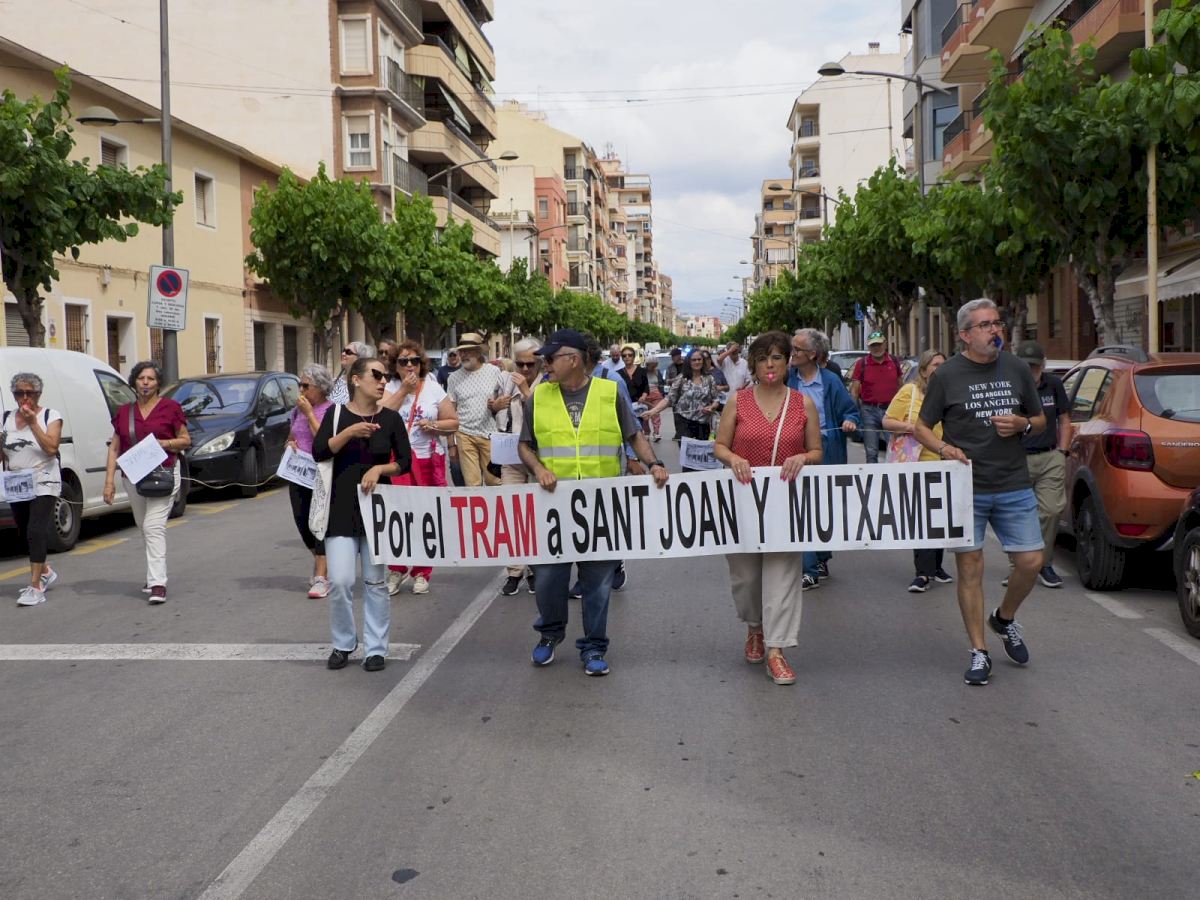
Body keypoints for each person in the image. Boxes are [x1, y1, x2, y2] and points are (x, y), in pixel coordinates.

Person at [518, 329, 669, 677]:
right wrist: (538, 469)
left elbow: (634, 434)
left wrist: (654, 463)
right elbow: (524, 444)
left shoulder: (608, 392)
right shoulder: (538, 398)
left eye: (550, 358)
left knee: (597, 583)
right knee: (548, 579)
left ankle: (594, 646)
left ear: (573, 360)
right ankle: (550, 633)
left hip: (602, 506)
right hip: (554, 506)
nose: (544, 364)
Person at [914, 298, 1047, 686]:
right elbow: (921, 427)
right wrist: (945, 449)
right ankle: (979, 651)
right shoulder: (947, 375)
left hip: (1013, 482)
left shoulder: (1016, 367)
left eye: (997, 323)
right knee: (970, 567)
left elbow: (1040, 420)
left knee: (1031, 561)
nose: (994, 330)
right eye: (985, 325)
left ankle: (1003, 619)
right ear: (965, 335)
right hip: (966, 487)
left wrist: (1022, 424)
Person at [714, 331, 823, 686]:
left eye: (776, 357)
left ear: (787, 361)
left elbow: (817, 451)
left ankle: (776, 649)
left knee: (782, 575)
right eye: (762, 359)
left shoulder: (802, 404)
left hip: (785, 504)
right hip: (743, 502)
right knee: (746, 578)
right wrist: (733, 459)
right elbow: (720, 445)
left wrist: (803, 457)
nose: (770, 365)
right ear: (754, 365)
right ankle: (755, 627)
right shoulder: (738, 401)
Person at [312, 356, 411, 672]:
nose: (383, 381)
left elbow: (405, 462)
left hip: (377, 511)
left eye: (385, 377)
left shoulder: (391, 419)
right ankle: (343, 643)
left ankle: (376, 649)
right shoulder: (336, 414)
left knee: (375, 582)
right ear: (356, 380)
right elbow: (319, 451)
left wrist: (380, 469)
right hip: (340, 509)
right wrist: (349, 433)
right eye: (376, 375)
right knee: (340, 581)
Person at [102, 361, 190, 604]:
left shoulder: (171, 408)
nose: (145, 383)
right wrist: (109, 482)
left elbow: (185, 440)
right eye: (141, 378)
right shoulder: (124, 412)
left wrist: (165, 443)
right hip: (134, 477)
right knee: (143, 526)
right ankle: (153, 576)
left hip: (164, 473)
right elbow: (114, 449)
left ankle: (158, 583)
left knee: (153, 527)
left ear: (158, 383)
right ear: (134, 382)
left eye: (150, 379)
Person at [381, 340, 459, 596]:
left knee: (424, 516)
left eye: (414, 360)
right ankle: (396, 569)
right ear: (395, 365)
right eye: (403, 361)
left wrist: (434, 425)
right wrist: (404, 390)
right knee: (396, 516)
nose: (409, 365)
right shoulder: (389, 387)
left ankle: (422, 572)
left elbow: (453, 422)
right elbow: (380, 417)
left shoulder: (433, 388)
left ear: (421, 364)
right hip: (396, 462)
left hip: (426, 460)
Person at [787, 328, 860, 589]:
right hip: (795, 450)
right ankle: (808, 568)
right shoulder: (788, 379)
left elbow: (850, 411)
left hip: (827, 449)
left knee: (825, 506)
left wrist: (849, 421)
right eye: (792, 348)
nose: (792, 353)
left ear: (813, 354)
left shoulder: (830, 381)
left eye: (797, 349)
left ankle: (821, 557)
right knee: (802, 506)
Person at [883, 349, 952, 593]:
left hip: (945, 462)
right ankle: (922, 573)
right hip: (918, 463)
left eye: (943, 365)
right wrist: (912, 428)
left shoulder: (950, 392)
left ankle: (936, 567)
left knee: (940, 517)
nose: (940, 369)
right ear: (923, 370)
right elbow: (887, 421)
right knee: (923, 519)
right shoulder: (909, 392)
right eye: (935, 365)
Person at [1012, 340, 1071, 589]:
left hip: (1049, 457)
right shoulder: (1010, 387)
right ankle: (1019, 567)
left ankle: (1044, 564)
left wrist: (1062, 452)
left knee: (1051, 510)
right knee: (1018, 513)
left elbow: (1064, 419)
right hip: (1018, 458)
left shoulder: (1054, 385)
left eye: (1034, 366)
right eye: (1026, 366)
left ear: (1042, 365)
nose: (1031, 370)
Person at [2, 372, 63, 607]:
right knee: (24, 530)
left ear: (38, 394)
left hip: (44, 479)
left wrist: (32, 423)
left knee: (36, 530)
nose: (24, 397)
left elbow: (51, 448)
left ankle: (36, 586)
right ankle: (45, 571)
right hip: (17, 481)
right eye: (19, 393)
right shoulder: (6, 418)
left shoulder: (50, 416)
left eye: (29, 393)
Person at [498, 338, 544, 596]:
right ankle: (514, 571)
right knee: (512, 514)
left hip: (537, 459)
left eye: (530, 364)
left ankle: (535, 569)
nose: (525, 369)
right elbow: (497, 412)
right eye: (520, 364)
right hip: (510, 455)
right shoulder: (506, 380)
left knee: (535, 517)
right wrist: (494, 406)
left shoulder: (548, 383)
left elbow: (544, 417)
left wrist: (526, 391)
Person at [287, 364, 334, 599]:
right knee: (302, 522)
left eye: (306, 386)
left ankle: (322, 576)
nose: (302, 390)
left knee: (319, 524)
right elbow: (292, 435)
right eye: (300, 385)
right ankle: (321, 563)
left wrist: (309, 414)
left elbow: (323, 441)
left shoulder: (330, 410)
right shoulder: (297, 411)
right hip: (298, 474)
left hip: (321, 474)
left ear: (321, 387)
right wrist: (290, 444)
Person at [446, 332, 506, 488]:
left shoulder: (494, 372)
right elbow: (450, 412)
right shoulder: (453, 378)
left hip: (490, 433)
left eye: (468, 351)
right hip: (464, 434)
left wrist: (497, 405)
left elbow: (503, 400)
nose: (463, 355)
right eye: (461, 351)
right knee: (473, 484)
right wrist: (451, 445)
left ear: (479, 352)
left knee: (495, 481)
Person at [641, 349, 720, 464]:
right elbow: (669, 399)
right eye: (694, 360)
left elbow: (716, 400)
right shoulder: (681, 378)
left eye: (699, 359)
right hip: (684, 423)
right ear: (688, 362)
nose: (697, 362)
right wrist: (653, 411)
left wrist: (711, 407)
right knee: (688, 459)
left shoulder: (709, 379)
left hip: (703, 424)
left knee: (701, 460)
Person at [849, 330, 904, 464]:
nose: (876, 348)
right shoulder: (861, 364)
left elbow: (901, 386)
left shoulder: (894, 361)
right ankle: (872, 477)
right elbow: (854, 391)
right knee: (871, 452)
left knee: (894, 449)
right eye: (873, 345)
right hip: (869, 411)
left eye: (879, 344)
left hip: (891, 411)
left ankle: (892, 476)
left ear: (885, 344)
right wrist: (854, 412)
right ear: (869, 347)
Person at [330, 341, 375, 406]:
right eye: (343, 351)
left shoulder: (364, 384)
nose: (343, 354)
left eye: (348, 352)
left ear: (359, 358)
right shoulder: (333, 382)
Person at [642, 357, 665, 441]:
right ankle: (646, 432)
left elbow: (661, 383)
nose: (653, 367)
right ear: (647, 365)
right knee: (645, 415)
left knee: (656, 414)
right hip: (645, 395)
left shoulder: (657, 372)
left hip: (656, 395)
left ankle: (656, 432)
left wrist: (662, 394)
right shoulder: (642, 372)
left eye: (655, 365)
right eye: (652, 365)